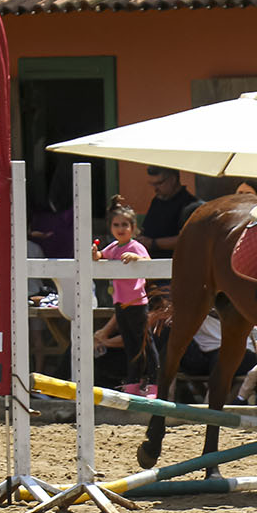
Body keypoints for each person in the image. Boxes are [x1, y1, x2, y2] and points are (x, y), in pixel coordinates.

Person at [91, 195, 155, 395]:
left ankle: (154, 382)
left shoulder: (134, 246)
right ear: (111, 227)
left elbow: (148, 261)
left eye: (125, 225)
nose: (121, 228)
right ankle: (133, 383)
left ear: (133, 227)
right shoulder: (114, 247)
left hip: (137, 304)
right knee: (130, 345)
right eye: (117, 224)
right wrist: (95, 253)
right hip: (121, 304)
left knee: (146, 344)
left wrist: (136, 257)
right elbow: (102, 255)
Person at [139, 167, 197, 259]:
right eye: (152, 184)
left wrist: (153, 243)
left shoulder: (191, 206)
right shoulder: (157, 201)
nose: (155, 189)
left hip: (174, 263)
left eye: (159, 183)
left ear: (173, 179)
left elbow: (186, 240)